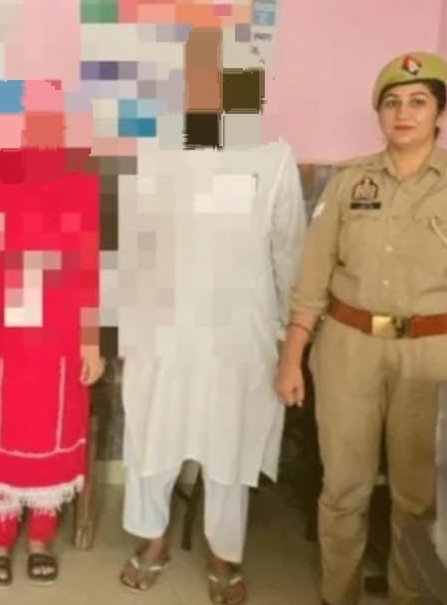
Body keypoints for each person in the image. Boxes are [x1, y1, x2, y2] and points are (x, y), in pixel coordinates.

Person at [276, 52, 447, 605]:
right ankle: (338, 594)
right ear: (379, 113)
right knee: (342, 488)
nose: (403, 113)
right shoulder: (348, 181)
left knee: (417, 496)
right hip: (348, 347)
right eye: (392, 102)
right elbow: (313, 276)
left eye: (418, 102)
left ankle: (407, 595)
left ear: (441, 114)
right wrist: (292, 356)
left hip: (434, 355)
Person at [117, 139, 306, 603]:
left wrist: (291, 337)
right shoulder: (148, 150)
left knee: (230, 443)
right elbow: (129, 242)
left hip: (239, 333)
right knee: (153, 435)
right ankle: (153, 539)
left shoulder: (272, 157)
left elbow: (290, 251)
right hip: (160, 329)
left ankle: (224, 554)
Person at [0, 145, 105, 588]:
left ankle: (41, 537)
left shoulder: (83, 170)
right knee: (1, 421)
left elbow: (90, 257)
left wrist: (91, 339)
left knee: (54, 423)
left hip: (61, 326)